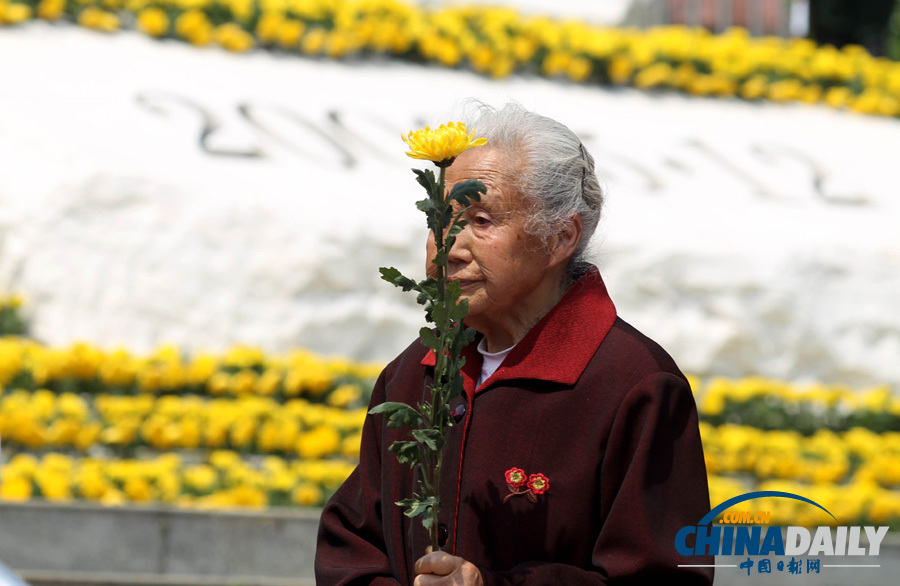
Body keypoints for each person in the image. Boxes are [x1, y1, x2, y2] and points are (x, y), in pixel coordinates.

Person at [315, 104, 714, 585]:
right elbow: (351, 546)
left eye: (482, 220)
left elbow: (662, 580)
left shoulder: (634, 385)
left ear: (561, 237)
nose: (450, 247)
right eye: (440, 218)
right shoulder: (415, 374)